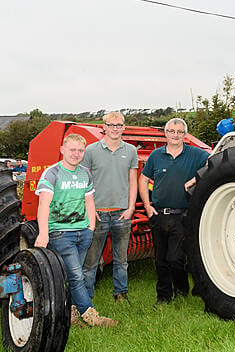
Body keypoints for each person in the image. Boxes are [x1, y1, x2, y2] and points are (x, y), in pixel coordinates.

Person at [34, 133, 117, 328]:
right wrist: (43, 233)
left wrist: (91, 227)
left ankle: (71, 315)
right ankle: (91, 315)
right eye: (72, 149)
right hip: (60, 233)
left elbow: (89, 200)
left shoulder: (85, 173)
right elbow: (43, 205)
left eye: (80, 150)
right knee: (77, 276)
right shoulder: (52, 173)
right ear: (62, 150)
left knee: (74, 275)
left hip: (83, 233)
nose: (76, 154)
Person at [138, 118, 208, 303]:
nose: (175, 135)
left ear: (185, 135)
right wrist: (147, 206)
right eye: (172, 131)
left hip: (182, 215)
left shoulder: (196, 154)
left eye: (179, 132)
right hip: (158, 214)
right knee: (160, 259)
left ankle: (182, 291)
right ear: (165, 133)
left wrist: (195, 180)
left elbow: (214, 162)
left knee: (176, 258)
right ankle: (163, 296)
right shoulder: (156, 155)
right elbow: (143, 179)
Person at [81, 112, 138, 303]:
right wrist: (90, 210)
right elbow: (83, 181)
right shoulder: (90, 151)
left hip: (122, 214)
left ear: (124, 127)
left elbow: (133, 181)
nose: (115, 128)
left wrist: (130, 208)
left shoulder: (130, 151)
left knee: (121, 260)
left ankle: (120, 294)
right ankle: (86, 298)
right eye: (111, 125)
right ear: (103, 127)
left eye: (119, 125)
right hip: (97, 215)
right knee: (91, 262)